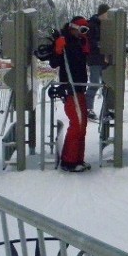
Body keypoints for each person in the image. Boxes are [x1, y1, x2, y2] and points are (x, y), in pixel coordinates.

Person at [49, 16, 92, 172]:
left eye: (85, 30)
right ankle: (69, 160)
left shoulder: (80, 42)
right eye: (82, 29)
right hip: (70, 88)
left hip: (80, 88)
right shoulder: (64, 40)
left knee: (83, 125)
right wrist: (58, 49)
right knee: (77, 124)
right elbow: (54, 62)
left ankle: (78, 158)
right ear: (73, 27)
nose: (83, 33)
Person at [85, 4, 110, 120]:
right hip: (95, 59)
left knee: (107, 84)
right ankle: (88, 108)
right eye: (106, 14)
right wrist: (102, 46)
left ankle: (106, 109)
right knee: (94, 83)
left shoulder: (106, 25)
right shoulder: (93, 24)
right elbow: (91, 42)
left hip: (103, 59)